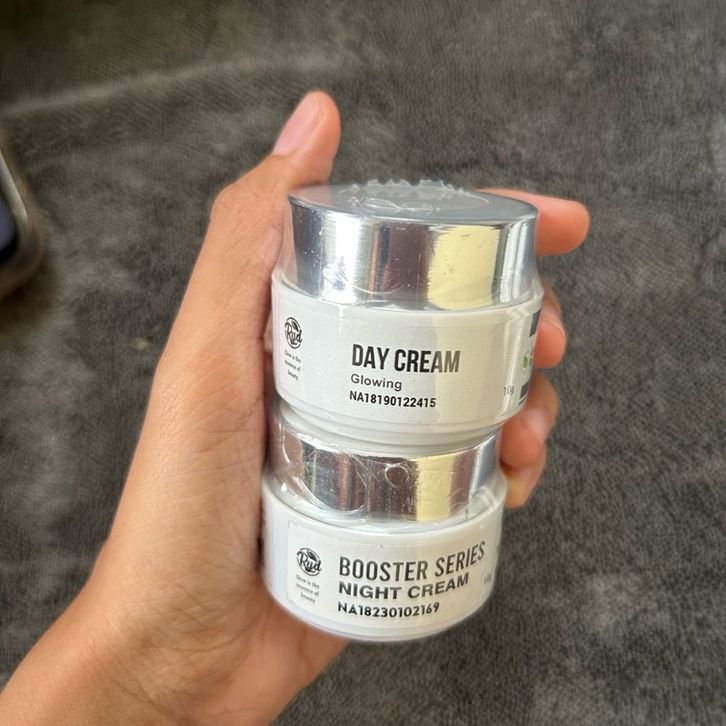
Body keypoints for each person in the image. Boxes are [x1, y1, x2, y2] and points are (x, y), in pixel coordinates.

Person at [0, 92, 588, 725]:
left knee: (500, 430)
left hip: (411, 507)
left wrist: (148, 686)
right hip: (294, 528)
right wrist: (146, 680)